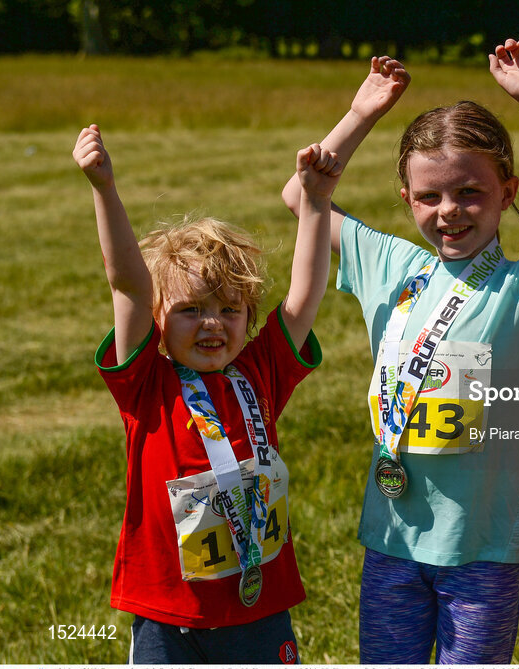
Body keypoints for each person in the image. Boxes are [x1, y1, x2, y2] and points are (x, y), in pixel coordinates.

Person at [280, 38, 519, 663]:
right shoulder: (391, 264)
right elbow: (301, 196)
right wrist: (362, 114)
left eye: (470, 192)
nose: (449, 211)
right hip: (390, 539)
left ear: (507, 190)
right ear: (407, 198)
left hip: (482, 552)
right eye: (429, 196)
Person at [74, 123, 343, 663]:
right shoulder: (145, 381)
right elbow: (128, 284)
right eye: (190, 310)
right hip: (167, 613)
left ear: (249, 317)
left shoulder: (261, 371)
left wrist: (315, 204)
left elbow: (304, 295)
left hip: (259, 608)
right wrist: (104, 188)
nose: (212, 324)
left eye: (228, 309)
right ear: (157, 320)